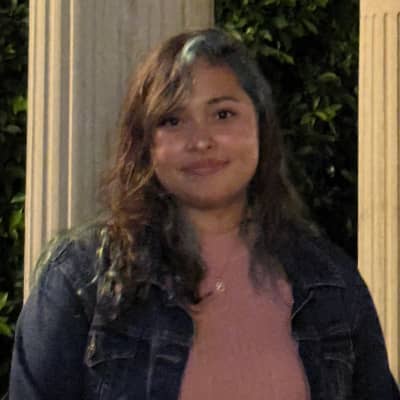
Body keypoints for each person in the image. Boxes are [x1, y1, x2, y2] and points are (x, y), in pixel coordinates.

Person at [9, 28, 400, 400]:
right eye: (172, 120)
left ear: (261, 126)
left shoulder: (330, 282)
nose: (200, 141)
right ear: (145, 144)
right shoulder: (81, 279)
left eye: (223, 114)